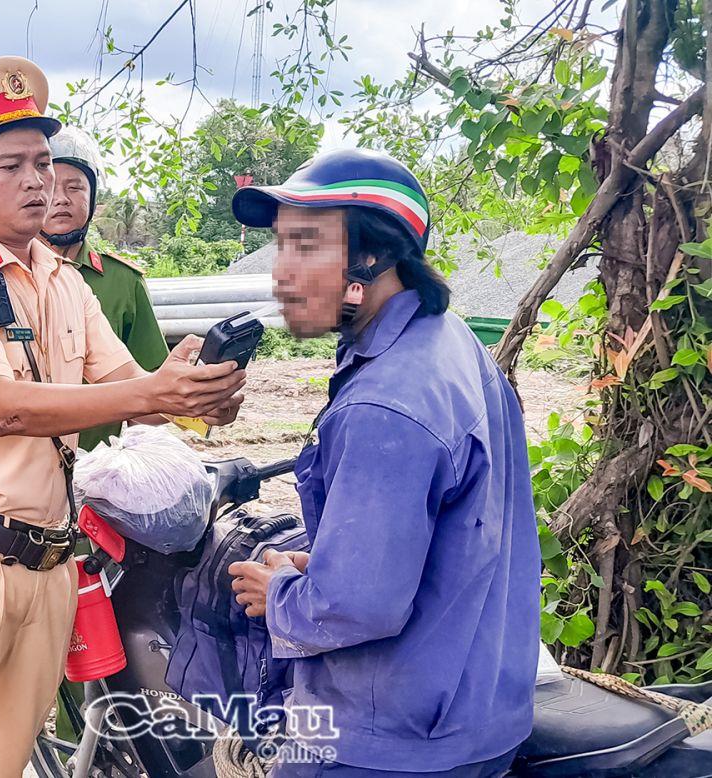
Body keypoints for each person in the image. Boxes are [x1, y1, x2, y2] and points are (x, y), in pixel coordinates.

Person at [0, 56, 245, 778]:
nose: (36, 181)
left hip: (51, 558)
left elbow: (128, 382)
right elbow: (4, 409)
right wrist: (154, 395)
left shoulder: (65, 284)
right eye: (10, 165)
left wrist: (200, 392)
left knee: (4, 758)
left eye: (43, 163)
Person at [227, 149, 540, 778]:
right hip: (476, 708)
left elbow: (359, 608)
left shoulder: (385, 404)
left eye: (307, 247)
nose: (282, 276)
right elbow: (450, 533)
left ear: (370, 259)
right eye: (281, 248)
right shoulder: (451, 341)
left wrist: (282, 594)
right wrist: (329, 565)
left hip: (387, 740)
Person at [39, 126, 169, 452]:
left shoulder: (123, 281)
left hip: (95, 470)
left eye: (75, 188)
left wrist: (198, 402)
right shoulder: (0, 278)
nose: (62, 199)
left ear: (93, 200)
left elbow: (149, 392)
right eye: (50, 186)